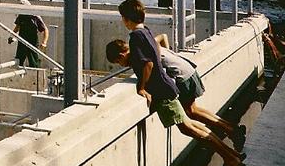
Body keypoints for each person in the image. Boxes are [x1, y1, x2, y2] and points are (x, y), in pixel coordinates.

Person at [110, 0, 246, 166]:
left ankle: (230, 159)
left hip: (161, 92)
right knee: (193, 123)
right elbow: (156, 53)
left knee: (189, 127)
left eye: (122, 17)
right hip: (168, 85)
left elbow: (148, 64)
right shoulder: (146, 31)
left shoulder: (135, 37)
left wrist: (141, 87)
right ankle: (231, 156)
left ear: (126, 19)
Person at [106, 36, 247, 152]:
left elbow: (149, 66)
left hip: (181, 76)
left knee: (191, 112)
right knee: (193, 110)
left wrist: (141, 86)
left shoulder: (138, 56)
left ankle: (231, 132)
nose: (121, 65)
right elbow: (162, 37)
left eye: (119, 61)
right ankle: (232, 130)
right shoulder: (145, 44)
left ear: (121, 55)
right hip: (187, 69)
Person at [8, 0, 48, 68]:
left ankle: (35, 76)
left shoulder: (35, 17)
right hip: (22, 42)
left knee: (34, 63)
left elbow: (45, 30)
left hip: (32, 42)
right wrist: (11, 36)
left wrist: (44, 42)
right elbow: (17, 27)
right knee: (18, 61)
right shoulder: (21, 16)